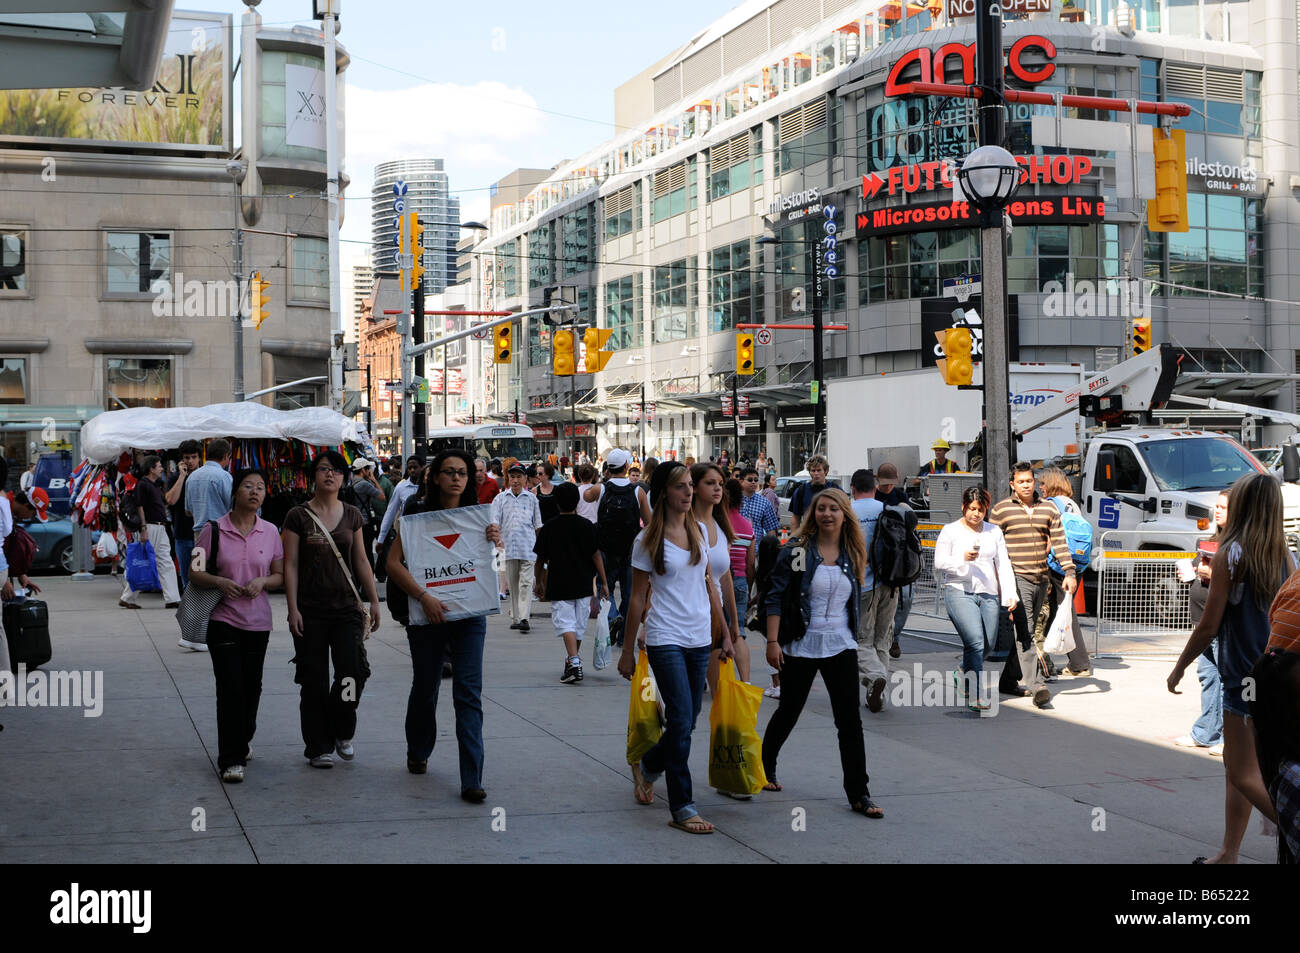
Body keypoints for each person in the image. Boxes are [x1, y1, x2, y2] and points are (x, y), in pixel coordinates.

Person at [1168, 473, 1288, 864]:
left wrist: (1180, 666)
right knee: (1242, 765)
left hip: (1245, 677)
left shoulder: (1232, 553)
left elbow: (1209, 624)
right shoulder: (1283, 554)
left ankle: (1293, 827)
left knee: (1240, 770)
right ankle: (1229, 852)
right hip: (1278, 672)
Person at [617, 461, 732, 834]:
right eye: (681, 487)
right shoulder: (647, 539)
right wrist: (627, 651)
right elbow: (636, 598)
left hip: (700, 637)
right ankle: (682, 805)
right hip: (665, 635)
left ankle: (649, 766)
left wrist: (725, 631)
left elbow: (709, 586)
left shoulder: (699, 530)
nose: (688, 493)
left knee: (688, 719)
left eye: (689, 486)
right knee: (682, 716)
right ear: (665, 491)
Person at [386, 449, 502, 798]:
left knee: (468, 694)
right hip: (426, 616)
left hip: (470, 616)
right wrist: (424, 598)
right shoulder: (417, 513)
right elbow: (393, 564)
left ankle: (472, 779)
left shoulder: (479, 517)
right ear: (435, 476)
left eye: (463, 473)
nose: (456, 478)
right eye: (449, 471)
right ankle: (418, 750)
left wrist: (495, 543)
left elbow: (488, 566)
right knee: (426, 686)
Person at [761, 488, 880, 817]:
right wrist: (773, 642)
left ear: (845, 514)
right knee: (789, 710)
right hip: (802, 642)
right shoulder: (800, 550)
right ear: (813, 514)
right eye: (821, 509)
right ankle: (764, 766)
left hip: (840, 644)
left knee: (850, 722)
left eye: (834, 509)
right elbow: (777, 593)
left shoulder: (852, 550)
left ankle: (859, 793)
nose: (827, 514)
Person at [281, 450, 382, 769]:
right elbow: (291, 564)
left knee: (352, 672)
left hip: (347, 608)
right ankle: (318, 746)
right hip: (310, 609)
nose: (329, 475)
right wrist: (292, 607)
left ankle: (342, 727)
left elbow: (362, 559)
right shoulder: (297, 515)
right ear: (313, 476)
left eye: (336, 470)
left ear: (344, 477)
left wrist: (374, 600)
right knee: (313, 680)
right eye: (323, 469)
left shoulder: (352, 514)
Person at [190, 469, 284, 783]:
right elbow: (195, 571)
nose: (255, 492)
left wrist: (263, 581)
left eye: (260, 487)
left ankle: (242, 739)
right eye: (248, 486)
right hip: (223, 618)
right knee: (230, 688)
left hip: (258, 621)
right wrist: (219, 581)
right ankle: (230, 759)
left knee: (251, 687)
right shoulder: (213, 529)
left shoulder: (270, 531)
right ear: (235, 492)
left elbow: (279, 575)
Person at [989, 462, 1077, 709]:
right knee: (1025, 631)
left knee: (1024, 632)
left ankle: (1008, 680)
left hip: (1042, 578)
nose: (1026, 485)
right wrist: (995, 580)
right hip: (1016, 577)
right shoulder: (1001, 510)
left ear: (1034, 482)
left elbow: (1059, 541)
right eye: (1021, 482)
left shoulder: (1048, 508)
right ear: (1012, 484)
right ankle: (1037, 684)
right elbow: (992, 545)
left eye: (1029, 481)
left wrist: (1069, 571)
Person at [933, 487, 1018, 711]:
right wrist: (961, 559)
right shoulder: (950, 531)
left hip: (988, 592)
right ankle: (976, 695)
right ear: (963, 507)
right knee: (975, 642)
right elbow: (939, 562)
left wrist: (1009, 593)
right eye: (971, 509)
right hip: (959, 590)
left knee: (988, 644)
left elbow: (1003, 564)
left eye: (980, 509)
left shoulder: (994, 532)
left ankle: (963, 669)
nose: (975, 514)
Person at [534, 481, 609, 684]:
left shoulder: (549, 527)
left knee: (566, 622)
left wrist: (538, 581)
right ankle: (572, 661)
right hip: (584, 583)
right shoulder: (586, 526)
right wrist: (604, 582)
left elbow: (540, 559)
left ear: (557, 504)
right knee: (577, 625)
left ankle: (574, 661)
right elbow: (596, 556)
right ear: (577, 502)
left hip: (559, 584)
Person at [585, 449, 652, 646]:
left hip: (605, 549)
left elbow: (587, 496)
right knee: (630, 594)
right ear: (626, 467)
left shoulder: (602, 489)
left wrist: (600, 480)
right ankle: (623, 636)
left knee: (603, 589)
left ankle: (613, 615)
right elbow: (648, 522)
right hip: (631, 551)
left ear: (608, 468)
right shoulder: (638, 491)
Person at [1036, 467, 1095, 679]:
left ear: (1050, 483)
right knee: (1060, 610)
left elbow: (1047, 535)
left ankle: (1079, 663)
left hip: (1057, 563)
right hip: (1075, 564)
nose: (1039, 487)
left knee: (1063, 612)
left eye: (1042, 483)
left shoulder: (1049, 504)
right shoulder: (1072, 505)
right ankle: (1059, 659)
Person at [691, 463, 741, 697]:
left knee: (721, 694)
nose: (717, 489)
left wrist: (733, 622)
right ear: (695, 487)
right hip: (689, 616)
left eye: (720, 484)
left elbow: (725, 577)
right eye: (710, 483)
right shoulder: (687, 525)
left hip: (716, 616)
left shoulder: (721, 526)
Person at [850, 469, 895, 712]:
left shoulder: (848, 512)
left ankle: (876, 676)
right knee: (882, 642)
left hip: (862, 585)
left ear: (853, 489)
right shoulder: (887, 510)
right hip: (890, 586)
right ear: (875, 488)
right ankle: (877, 694)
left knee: (860, 642)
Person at [120, 455, 182, 611]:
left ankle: (172, 598)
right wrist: (143, 528)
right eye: (159, 465)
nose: (161, 468)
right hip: (150, 526)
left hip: (160, 527)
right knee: (145, 561)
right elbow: (139, 506)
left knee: (165, 561)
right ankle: (127, 597)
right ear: (151, 469)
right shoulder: (143, 485)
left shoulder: (154, 485)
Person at [492, 463, 543, 632]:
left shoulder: (532, 499)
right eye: (512, 477)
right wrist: (497, 542)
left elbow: (537, 525)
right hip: (507, 548)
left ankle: (524, 618)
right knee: (513, 584)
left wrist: (540, 547)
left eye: (519, 477)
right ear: (508, 479)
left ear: (525, 479)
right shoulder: (500, 499)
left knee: (526, 583)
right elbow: (494, 522)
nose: (515, 480)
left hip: (527, 547)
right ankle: (515, 616)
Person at [874, 462, 910, 660]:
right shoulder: (872, 495)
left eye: (890, 483)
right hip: (880, 553)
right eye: (884, 483)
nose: (887, 487)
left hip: (898, 554)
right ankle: (882, 639)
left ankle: (894, 636)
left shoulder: (900, 497)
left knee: (906, 601)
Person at [724, 478, 756, 685]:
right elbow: (750, 563)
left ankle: (716, 681)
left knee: (716, 631)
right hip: (741, 581)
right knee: (739, 631)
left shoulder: (717, 522)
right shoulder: (747, 526)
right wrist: (748, 585)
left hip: (720, 582)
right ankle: (745, 681)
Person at [376, 456, 425, 581]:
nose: (412, 470)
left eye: (415, 467)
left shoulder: (430, 487)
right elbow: (390, 513)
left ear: (422, 467)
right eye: (410, 468)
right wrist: (381, 539)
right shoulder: (401, 487)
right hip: (406, 536)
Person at [165, 440, 202, 592]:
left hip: (202, 535)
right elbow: (170, 500)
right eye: (187, 458)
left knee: (201, 577)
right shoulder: (176, 478)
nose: (190, 461)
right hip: (183, 534)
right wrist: (181, 476)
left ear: (200, 457)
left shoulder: (204, 476)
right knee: (187, 579)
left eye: (194, 457)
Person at [184, 438, 233, 529]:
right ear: (226, 456)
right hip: (220, 531)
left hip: (199, 533)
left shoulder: (191, 477)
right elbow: (232, 507)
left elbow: (188, 511)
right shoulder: (224, 476)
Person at [349, 458, 386, 570]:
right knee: (367, 551)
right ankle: (368, 575)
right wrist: (374, 480)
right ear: (363, 470)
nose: (370, 471)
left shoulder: (351, 482)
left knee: (358, 551)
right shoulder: (364, 484)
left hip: (354, 522)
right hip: (365, 523)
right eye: (368, 468)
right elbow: (382, 497)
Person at [788, 454, 839, 523]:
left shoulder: (835, 490)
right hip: (808, 532)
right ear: (809, 472)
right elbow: (795, 519)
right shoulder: (801, 491)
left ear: (826, 471)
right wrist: (795, 534)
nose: (816, 473)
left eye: (819, 470)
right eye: (813, 470)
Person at [738, 466, 779, 538]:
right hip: (735, 547)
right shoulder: (733, 500)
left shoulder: (764, 502)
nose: (753, 482)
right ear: (741, 481)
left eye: (756, 480)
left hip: (757, 547)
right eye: (750, 480)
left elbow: (771, 529)